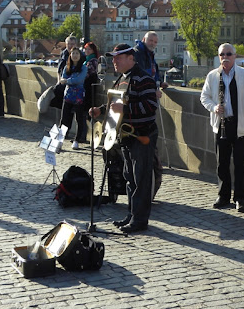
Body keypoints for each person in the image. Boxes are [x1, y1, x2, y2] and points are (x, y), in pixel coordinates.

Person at [89, 43, 158, 233]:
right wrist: (100, 110)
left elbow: (151, 108)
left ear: (131, 58)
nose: (114, 61)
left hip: (142, 135)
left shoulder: (144, 79)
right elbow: (113, 106)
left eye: (118, 58)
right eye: (113, 58)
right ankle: (132, 214)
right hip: (126, 136)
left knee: (141, 179)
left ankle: (140, 220)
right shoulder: (121, 79)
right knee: (130, 178)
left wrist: (125, 109)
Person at [200, 43, 244, 212]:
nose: (225, 57)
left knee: (241, 164)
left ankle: (240, 199)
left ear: (235, 56)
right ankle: (223, 196)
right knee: (222, 163)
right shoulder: (213, 75)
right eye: (222, 54)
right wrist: (214, 107)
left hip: (241, 125)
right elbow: (204, 97)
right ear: (219, 57)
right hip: (221, 124)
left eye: (229, 54)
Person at [134, 31, 169, 197]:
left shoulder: (149, 54)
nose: (153, 43)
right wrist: (152, 88)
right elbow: (142, 73)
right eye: (151, 40)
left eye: (155, 41)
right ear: (144, 40)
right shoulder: (138, 53)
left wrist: (160, 82)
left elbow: (154, 70)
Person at [60, 47, 88, 149]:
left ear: (80, 56)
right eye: (73, 54)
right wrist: (68, 80)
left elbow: (79, 80)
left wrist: (68, 81)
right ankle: (60, 140)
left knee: (79, 119)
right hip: (68, 95)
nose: (75, 55)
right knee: (64, 119)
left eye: (77, 53)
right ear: (70, 56)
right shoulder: (67, 67)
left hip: (78, 97)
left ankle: (76, 140)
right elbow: (62, 78)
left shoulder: (83, 68)